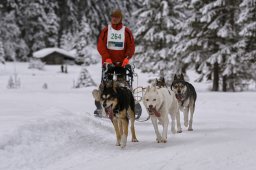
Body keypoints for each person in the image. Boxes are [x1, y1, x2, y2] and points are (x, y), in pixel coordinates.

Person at [94, 9, 135, 116]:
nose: (114, 18)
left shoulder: (126, 32)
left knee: (122, 86)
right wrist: (107, 58)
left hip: (122, 64)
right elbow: (100, 46)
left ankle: (122, 106)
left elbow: (131, 46)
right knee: (106, 86)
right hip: (108, 64)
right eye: (113, 16)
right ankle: (103, 107)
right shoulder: (106, 31)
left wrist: (127, 58)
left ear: (120, 18)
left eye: (116, 17)